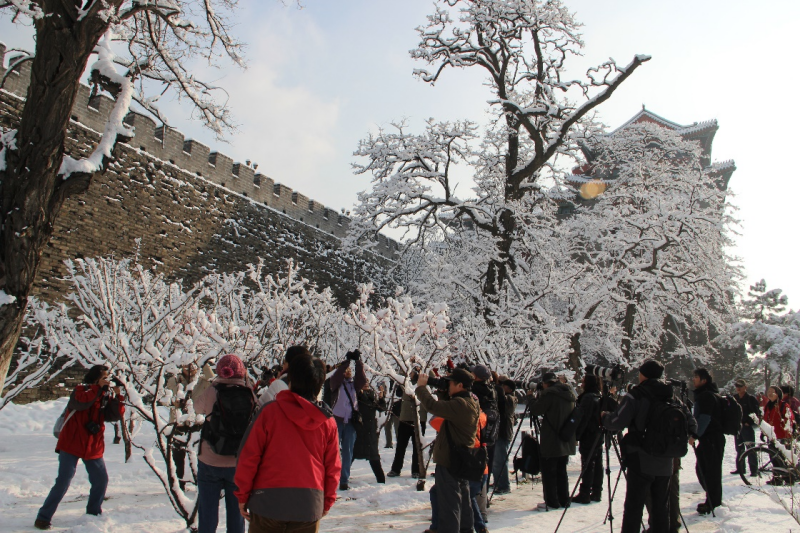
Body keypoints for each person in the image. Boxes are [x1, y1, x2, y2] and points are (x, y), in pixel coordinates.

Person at [235, 353, 341, 533]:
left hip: (267, 501)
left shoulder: (270, 413)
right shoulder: (327, 422)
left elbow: (249, 456)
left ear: (290, 381)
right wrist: (327, 500)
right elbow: (332, 467)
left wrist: (242, 494)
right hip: (308, 503)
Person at [35, 365, 125, 530]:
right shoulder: (80, 390)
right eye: (104, 377)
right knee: (63, 480)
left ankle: (93, 514)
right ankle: (43, 517)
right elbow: (81, 404)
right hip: (71, 443)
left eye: (108, 378)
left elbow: (114, 416)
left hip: (92, 445)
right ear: (95, 378)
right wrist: (98, 389)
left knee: (101, 480)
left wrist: (118, 395)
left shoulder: (104, 395)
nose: (107, 380)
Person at [602, 360, 674, 533]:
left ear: (644, 374)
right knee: (660, 509)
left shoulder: (636, 395)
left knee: (634, 507)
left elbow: (617, 422)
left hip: (641, 458)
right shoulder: (670, 395)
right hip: (665, 459)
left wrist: (604, 417)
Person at [194, 354, 255, 533]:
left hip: (209, 459)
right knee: (237, 514)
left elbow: (197, 408)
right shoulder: (248, 392)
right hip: (238, 461)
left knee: (208, 513)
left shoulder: (213, 390)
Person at [417, 368, 480, 533]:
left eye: (450, 383)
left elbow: (433, 406)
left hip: (450, 461)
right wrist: (444, 390)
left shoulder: (460, 405)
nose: (448, 385)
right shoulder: (471, 401)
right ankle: (467, 530)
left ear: (460, 385)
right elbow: (449, 406)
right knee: (463, 502)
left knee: (449, 505)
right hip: (461, 460)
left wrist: (421, 387)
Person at [527, 372, 577, 511]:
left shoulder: (550, 395)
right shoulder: (569, 394)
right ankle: (564, 499)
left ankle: (551, 501)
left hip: (552, 439)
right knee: (562, 471)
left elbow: (537, 410)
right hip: (566, 438)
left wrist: (531, 398)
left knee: (549, 472)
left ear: (546, 383)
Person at [167, 362, 213, 490]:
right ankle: (178, 485)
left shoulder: (203, 381)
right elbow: (167, 398)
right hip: (179, 423)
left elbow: (213, 380)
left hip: (197, 424)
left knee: (201, 457)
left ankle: (201, 483)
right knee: (177, 457)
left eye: (194, 364)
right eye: (188, 364)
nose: (190, 368)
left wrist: (204, 364)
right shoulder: (174, 380)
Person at [330, 350, 367, 490]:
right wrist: (345, 362)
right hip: (337, 421)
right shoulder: (336, 384)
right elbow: (336, 377)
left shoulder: (354, 385)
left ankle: (344, 479)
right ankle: (331, 477)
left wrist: (358, 362)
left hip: (351, 422)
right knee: (333, 451)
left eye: (349, 370)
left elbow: (362, 379)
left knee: (348, 451)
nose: (348, 372)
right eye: (346, 370)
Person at [691, 367, 725, 515]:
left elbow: (705, 418)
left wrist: (695, 435)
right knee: (703, 469)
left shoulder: (706, 396)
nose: (693, 379)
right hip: (709, 438)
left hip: (712, 437)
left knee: (711, 471)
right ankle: (711, 499)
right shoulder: (706, 394)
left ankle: (713, 503)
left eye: (696, 377)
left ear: (704, 380)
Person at [572, 374, 603, 504]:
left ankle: (584, 493)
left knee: (588, 463)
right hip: (598, 433)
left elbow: (582, 417)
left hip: (588, 434)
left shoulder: (587, 397)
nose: (581, 383)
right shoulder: (599, 396)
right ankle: (596, 492)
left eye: (583, 381)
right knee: (598, 464)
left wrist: (576, 434)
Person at [388, 372, 422, 478]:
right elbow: (397, 393)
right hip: (405, 418)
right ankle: (396, 469)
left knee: (417, 447)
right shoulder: (404, 381)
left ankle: (416, 470)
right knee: (401, 446)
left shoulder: (421, 381)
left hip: (418, 419)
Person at [353, 382, 386, 483]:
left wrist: (381, 397)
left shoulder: (371, 394)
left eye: (367, 383)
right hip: (359, 429)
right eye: (363, 382)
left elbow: (381, 408)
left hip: (370, 430)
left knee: (374, 457)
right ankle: (341, 479)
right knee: (352, 454)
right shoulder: (355, 395)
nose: (366, 385)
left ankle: (381, 480)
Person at [491, 379, 518, 495]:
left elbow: (504, 403)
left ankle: (504, 485)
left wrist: (498, 389)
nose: (501, 387)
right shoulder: (503, 398)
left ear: (510, 389)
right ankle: (498, 482)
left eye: (504, 386)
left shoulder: (512, 399)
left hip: (504, 433)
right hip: (499, 432)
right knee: (496, 460)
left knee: (500, 460)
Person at [730, 378, 761, 476]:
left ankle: (754, 470)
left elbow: (757, 413)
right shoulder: (734, 398)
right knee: (739, 449)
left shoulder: (750, 399)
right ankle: (740, 468)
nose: (738, 388)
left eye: (740, 386)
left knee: (750, 449)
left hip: (747, 427)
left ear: (745, 387)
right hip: (738, 427)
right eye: (737, 386)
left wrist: (749, 422)